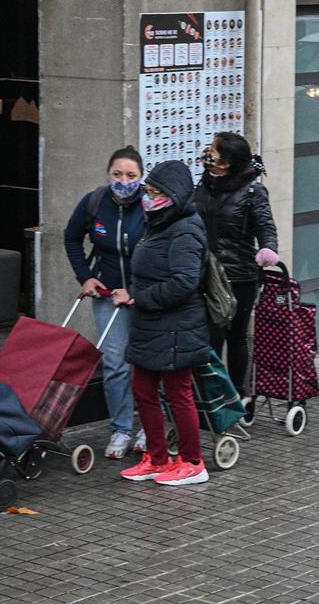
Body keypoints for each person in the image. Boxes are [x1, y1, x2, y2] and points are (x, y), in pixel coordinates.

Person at [118, 160, 214, 487]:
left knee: (178, 392)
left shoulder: (186, 229)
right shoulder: (159, 223)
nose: (149, 197)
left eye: (156, 192)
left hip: (176, 325)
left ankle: (192, 462)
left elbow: (185, 282)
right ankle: (157, 458)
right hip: (150, 323)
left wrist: (140, 297)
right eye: (148, 191)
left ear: (174, 194)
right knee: (143, 389)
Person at [63, 147, 147, 460]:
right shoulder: (94, 202)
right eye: (117, 174)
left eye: (131, 176)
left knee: (150, 362)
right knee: (115, 364)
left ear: (141, 178)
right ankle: (121, 428)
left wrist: (137, 289)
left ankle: (151, 426)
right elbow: (71, 238)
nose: (123, 181)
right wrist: (85, 276)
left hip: (145, 296)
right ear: (108, 174)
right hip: (108, 296)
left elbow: (162, 253)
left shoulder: (151, 205)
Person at [191, 132, 279, 405]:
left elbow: (266, 225)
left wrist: (268, 249)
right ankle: (213, 395)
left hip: (239, 275)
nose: (208, 152)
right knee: (211, 336)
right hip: (206, 273)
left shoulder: (253, 191)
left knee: (236, 336)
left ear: (227, 161)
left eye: (214, 149)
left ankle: (240, 395)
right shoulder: (204, 184)